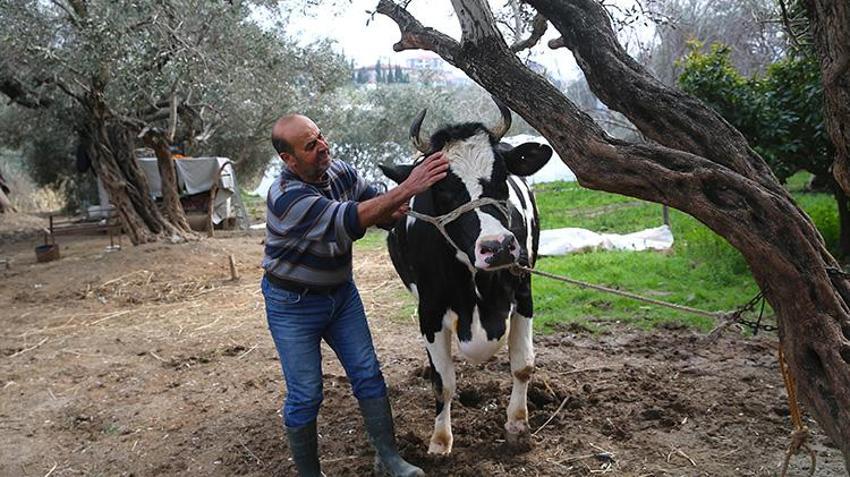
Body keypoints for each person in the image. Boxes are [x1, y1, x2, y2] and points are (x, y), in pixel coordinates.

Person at [262, 114, 448, 477]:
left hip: (340, 295)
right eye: (311, 146)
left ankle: (388, 459)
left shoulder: (339, 172)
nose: (323, 147)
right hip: (292, 304)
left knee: (367, 374)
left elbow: (371, 203)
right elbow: (350, 219)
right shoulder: (286, 197)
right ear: (288, 159)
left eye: (321, 137)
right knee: (306, 394)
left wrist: (391, 211)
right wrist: (408, 187)